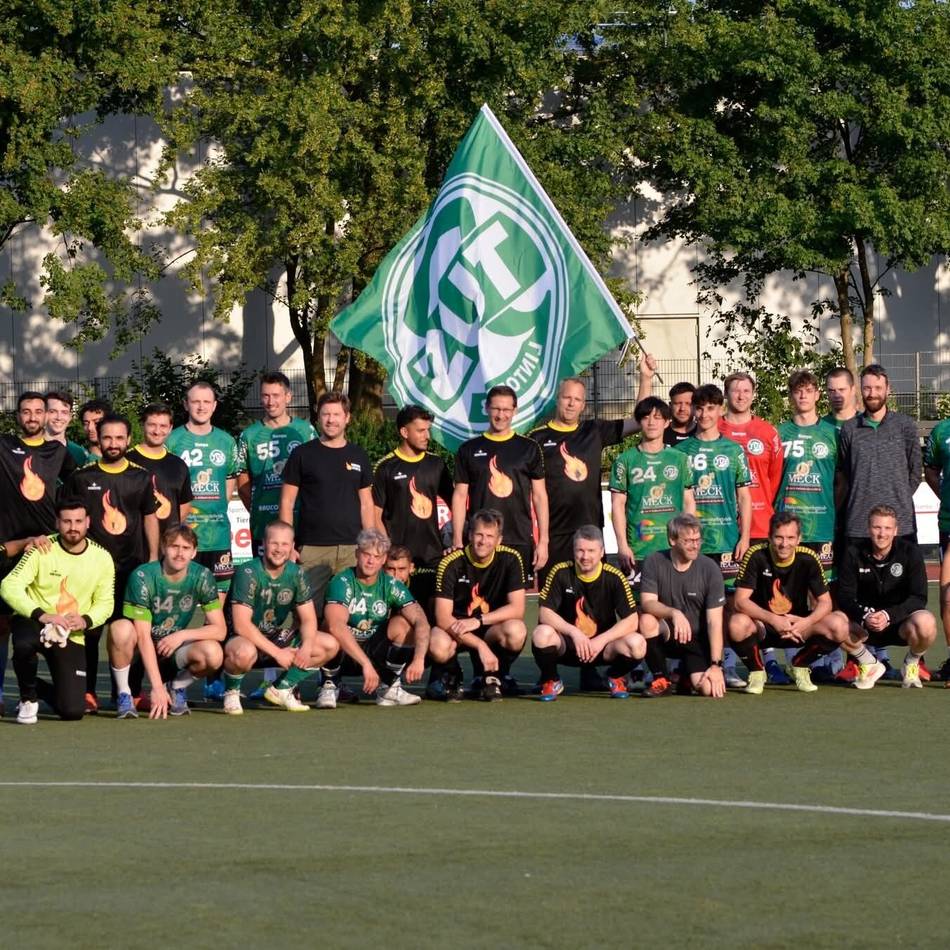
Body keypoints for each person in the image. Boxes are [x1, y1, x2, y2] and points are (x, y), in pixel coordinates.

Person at [529, 355, 654, 582]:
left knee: (593, 593)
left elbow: (638, 421)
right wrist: (540, 538)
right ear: (557, 399)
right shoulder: (537, 439)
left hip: (590, 529)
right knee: (555, 594)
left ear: (583, 405)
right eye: (567, 397)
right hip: (554, 533)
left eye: (577, 399)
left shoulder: (594, 430)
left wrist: (645, 378)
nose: (571, 403)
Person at [65, 413, 160, 713]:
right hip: (91, 571)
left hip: (132, 569)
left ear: (129, 439)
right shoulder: (82, 477)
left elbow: (150, 518)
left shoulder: (141, 477)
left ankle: (131, 692)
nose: (113, 443)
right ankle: (87, 692)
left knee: (133, 631)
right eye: (107, 437)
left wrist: (153, 559)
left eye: (119, 438)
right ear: (98, 438)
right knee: (89, 632)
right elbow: (69, 519)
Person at [1, 499, 114, 724]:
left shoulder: (102, 558)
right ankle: (28, 698)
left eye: (78, 521)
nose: (73, 527)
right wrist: (42, 615)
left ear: (88, 522)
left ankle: (38, 687)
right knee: (23, 645)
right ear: (57, 523)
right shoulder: (41, 548)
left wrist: (85, 620)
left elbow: (106, 603)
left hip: (70, 632)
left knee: (72, 711)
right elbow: (8, 586)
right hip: (35, 621)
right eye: (67, 521)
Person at [0, 391, 76, 713]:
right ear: (17, 415)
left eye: (37, 411)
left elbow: (77, 487)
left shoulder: (59, 452)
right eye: (26, 411)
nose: (32, 416)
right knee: (2, 625)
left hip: (45, 551)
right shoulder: (4, 446)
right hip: (8, 548)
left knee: (50, 618)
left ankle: (63, 689)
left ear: (46, 415)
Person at [674, 383, 752, 688]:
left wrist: (744, 537)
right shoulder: (681, 451)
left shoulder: (733, 450)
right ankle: (685, 663)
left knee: (729, 605)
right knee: (687, 603)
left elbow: (744, 496)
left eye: (710, 408)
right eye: (699, 408)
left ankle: (727, 665)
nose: (704, 414)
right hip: (692, 545)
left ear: (720, 410)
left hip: (726, 540)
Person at [108, 524, 225, 719]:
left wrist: (181, 635)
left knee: (213, 653)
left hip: (170, 648)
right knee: (120, 629)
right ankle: (124, 693)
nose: (180, 553)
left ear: (194, 552)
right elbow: (143, 636)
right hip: (139, 649)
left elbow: (220, 630)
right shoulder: (143, 576)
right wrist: (156, 688)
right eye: (174, 546)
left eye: (186, 548)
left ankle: (176, 687)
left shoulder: (202, 576)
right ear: (163, 548)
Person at [222, 521, 339, 714]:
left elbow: (309, 619)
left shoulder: (297, 573)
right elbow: (242, 625)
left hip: (272, 635)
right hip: (240, 638)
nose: (279, 549)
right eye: (274, 543)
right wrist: (278, 653)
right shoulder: (247, 572)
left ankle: (281, 689)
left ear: (292, 546)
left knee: (328, 644)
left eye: (285, 544)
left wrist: (307, 646)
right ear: (264, 544)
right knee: (244, 652)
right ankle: (231, 691)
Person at [728, 512, 850, 694]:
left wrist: (805, 622)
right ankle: (757, 672)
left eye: (791, 538)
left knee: (839, 625)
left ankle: (800, 665)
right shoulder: (756, 555)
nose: (784, 544)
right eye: (779, 537)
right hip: (763, 625)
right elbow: (740, 601)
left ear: (799, 539)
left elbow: (826, 603)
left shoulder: (809, 558)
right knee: (736, 624)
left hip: (798, 627)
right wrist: (773, 619)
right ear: (770, 537)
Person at [279, 390, 374, 615]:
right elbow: (286, 502)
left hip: (353, 548)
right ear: (318, 417)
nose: (331, 420)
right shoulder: (302, 454)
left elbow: (366, 504)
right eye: (325, 414)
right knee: (306, 612)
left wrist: (369, 543)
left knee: (353, 613)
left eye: (336, 414)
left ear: (347, 418)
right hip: (313, 548)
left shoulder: (359, 455)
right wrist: (287, 544)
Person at [319, 528, 431, 709]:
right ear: (357, 554)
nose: (371, 561)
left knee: (404, 624)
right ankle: (329, 684)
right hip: (345, 653)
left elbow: (421, 620)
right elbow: (335, 626)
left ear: (383, 559)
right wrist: (365, 664)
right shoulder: (341, 581)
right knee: (328, 626)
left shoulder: (391, 584)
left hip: (374, 651)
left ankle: (389, 687)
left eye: (377, 556)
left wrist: (419, 658)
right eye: (366, 554)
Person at [532, 525, 644, 700]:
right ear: (573, 551)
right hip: (568, 645)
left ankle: (614, 676)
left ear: (601, 552)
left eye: (591, 551)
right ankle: (551, 680)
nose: (585, 557)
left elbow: (631, 620)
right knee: (541, 634)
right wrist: (574, 633)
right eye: (580, 550)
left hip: (601, 648)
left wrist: (602, 640)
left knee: (637, 644)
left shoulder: (614, 577)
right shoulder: (560, 571)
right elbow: (545, 613)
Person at [452, 385, 548, 584]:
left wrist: (543, 541)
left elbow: (540, 496)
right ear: (486, 408)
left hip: (518, 538)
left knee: (517, 600)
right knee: (479, 598)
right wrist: (457, 539)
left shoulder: (529, 448)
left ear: (515, 411)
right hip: (482, 540)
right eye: (496, 408)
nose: (501, 415)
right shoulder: (468, 449)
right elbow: (460, 496)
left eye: (506, 409)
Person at [836, 505, 937, 690]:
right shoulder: (852, 552)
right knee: (833, 622)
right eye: (877, 527)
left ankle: (912, 663)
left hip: (899, 625)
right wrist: (865, 616)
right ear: (869, 529)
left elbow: (918, 597)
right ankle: (869, 663)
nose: (882, 534)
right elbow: (844, 596)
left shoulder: (910, 552)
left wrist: (888, 615)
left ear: (896, 530)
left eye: (887, 528)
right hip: (864, 626)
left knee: (926, 622)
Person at [431, 508, 527, 702]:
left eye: (490, 536)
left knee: (516, 630)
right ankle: (452, 674)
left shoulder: (511, 559)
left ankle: (494, 676)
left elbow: (517, 609)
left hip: (489, 627)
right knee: (437, 643)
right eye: (479, 535)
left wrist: (478, 620)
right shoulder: (450, 563)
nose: (483, 541)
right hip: (457, 630)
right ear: (469, 535)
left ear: (499, 540)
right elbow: (442, 618)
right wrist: (480, 645)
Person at [373, 405, 454, 611]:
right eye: (421, 430)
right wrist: (388, 550)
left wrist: (455, 540)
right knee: (399, 617)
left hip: (433, 557)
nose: (427, 436)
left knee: (435, 614)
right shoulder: (385, 467)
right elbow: (375, 515)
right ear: (404, 432)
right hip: (398, 561)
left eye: (428, 430)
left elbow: (457, 503)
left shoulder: (437, 464)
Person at [637, 514, 726, 699]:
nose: (695, 545)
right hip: (669, 633)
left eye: (697, 540)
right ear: (672, 540)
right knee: (646, 620)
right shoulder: (654, 561)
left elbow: (715, 622)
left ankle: (685, 674)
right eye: (688, 541)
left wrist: (716, 665)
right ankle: (661, 680)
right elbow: (647, 602)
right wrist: (674, 613)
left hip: (697, 639)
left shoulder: (710, 568)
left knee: (709, 689)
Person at [166, 382, 240, 601]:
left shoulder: (226, 441)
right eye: (195, 401)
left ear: (214, 405)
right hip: (183, 535)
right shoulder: (172, 440)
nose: (201, 407)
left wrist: (217, 509)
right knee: (179, 598)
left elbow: (230, 480)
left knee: (216, 602)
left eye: (206, 402)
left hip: (217, 535)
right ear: (185, 404)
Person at [610, 395, 695, 581]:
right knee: (640, 600)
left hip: (674, 548)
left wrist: (688, 537)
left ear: (667, 422)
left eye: (657, 417)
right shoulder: (624, 460)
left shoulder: (680, 459)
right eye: (646, 417)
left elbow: (689, 501)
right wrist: (622, 545)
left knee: (675, 598)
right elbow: (617, 505)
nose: (651, 422)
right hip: (638, 550)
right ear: (639, 422)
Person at [838, 364, 921, 545]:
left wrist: (899, 497)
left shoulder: (905, 425)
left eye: (878, 388)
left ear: (888, 389)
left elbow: (915, 472)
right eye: (867, 388)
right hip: (858, 525)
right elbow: (845, 474)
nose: (872, 393)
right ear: (860, 390)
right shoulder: (849, 429)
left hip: (900, 524)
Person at [236, 371, 317, 555]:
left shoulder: (305, 431)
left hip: (302, 524)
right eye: (265, 395)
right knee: (266, 573)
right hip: (264, 525)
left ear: (288, 397)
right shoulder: (249, 435)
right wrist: (258, 508)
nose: (270, 402)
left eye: (276, 395)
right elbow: (242, 481)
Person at [126, 403, 194, 535]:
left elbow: (184, 505)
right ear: (143, 425)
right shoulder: (127, 461)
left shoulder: (179, 465)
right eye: (152, 425)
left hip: (168, 542)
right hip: (135, 543)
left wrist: (169, 533)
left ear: (170, 428)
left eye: (163, 426)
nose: (157, 431)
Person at [924, 416, 950, 681]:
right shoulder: (942, 430)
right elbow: (931, 470)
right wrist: (946, 496)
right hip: (949, 523)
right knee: (947, 594)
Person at [44, 390, 89, 467]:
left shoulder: (78, 453)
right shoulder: (30, 449)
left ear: (70, 417)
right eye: (53, 411)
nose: (59, 417)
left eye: (64, 412)